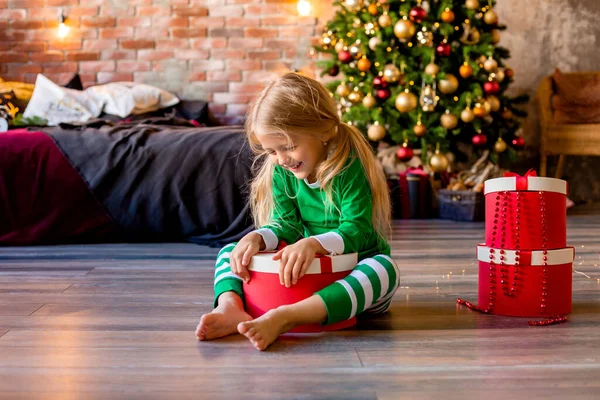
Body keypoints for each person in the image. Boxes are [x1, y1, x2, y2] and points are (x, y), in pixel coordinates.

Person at [195, 72, 400, 350]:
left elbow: (358, 230)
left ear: (324, 131)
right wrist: (257, 238)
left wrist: (313, 244)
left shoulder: (348, 165)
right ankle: (230, 306)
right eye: (271, 151)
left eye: (288, 147)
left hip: (353, 275)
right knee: (229, 252)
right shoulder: (282, 170)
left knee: (385, 269)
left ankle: (286, 316)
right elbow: (286, 226)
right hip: (308, 278)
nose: (280, 160)